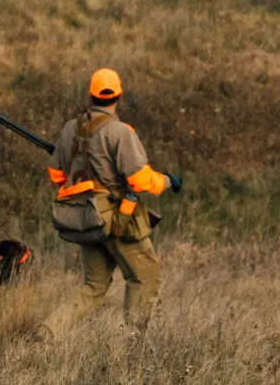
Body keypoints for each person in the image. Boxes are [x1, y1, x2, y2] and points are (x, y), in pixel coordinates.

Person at [41, 68, 182, 337]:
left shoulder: (71, 129)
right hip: (116, 218)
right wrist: (168, 181)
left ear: (91, 95)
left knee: (93, 286)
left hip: (85, 218)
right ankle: (135, 343)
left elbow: (56, 175)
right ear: (119, 95)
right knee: (145, 276)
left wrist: (80, 179)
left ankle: (46, 333)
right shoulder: (120, 132)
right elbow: (140, 180)